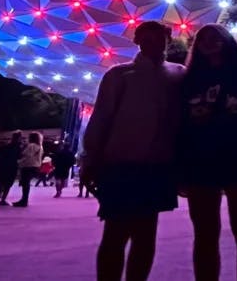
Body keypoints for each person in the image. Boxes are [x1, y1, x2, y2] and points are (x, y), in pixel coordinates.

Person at [82, 20, 184, 281]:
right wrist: (91, 157)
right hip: (120, 163)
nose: (153, 45)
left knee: (146, 232)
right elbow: (102, 118)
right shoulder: (119, 74)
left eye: (159, 39)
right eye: (146, 40)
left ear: (167, 41)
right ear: (137, 41)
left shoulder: (179, 74)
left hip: (158, 164)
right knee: (115, 232)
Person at [178, 23, 237, 281]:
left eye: (215, 36)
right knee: (205, 233)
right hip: (201, 162)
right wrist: (181, 168)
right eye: (203, 38)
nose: (209, 41)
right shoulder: (189, 80)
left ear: (227, 40)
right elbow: (181, 124)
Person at [0, 132, 22, 206]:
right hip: (11, 168)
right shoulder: (18, 148)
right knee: (8, 185)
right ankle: (3, 200)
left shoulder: (4, 146)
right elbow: (19, 157)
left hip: (1, 167)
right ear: (19, 138)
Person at [13, 132, 45, 206]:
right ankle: (24, 200)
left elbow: (27, 155)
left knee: (25, 184)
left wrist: (19, 162)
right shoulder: (40, 146)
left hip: (28, 166)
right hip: (36, 166)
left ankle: (24, 200)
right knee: (26, 183)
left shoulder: (31, 146)